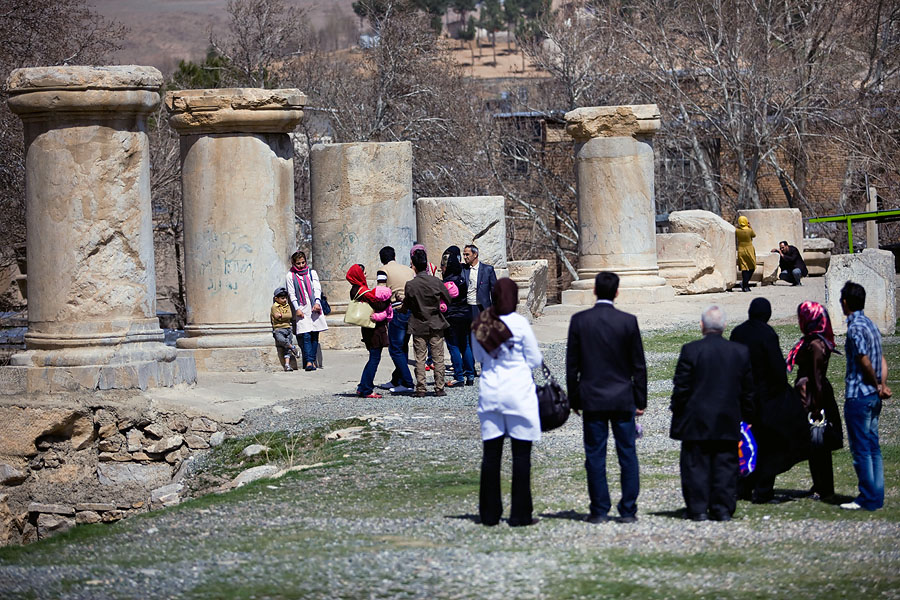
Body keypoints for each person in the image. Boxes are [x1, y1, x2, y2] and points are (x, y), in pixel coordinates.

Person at [566, 272, 647, 524]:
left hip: (592, 398)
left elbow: (572, 366)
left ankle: (599, 509)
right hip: (623, 398)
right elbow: (638, 365)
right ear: (617, 292)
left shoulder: (580, 321)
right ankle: (628, 509)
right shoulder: (628, 321)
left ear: (594, 291)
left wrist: (574, 399)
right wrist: (640, 400)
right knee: (627, 454)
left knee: (595, 455)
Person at [670, 305, 754, 521]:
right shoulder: (739, 352)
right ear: (724, 326)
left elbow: (681, 387)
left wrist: (677, 410)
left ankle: (698, 509)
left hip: (696, 418)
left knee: (695, 465)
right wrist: (748, 416)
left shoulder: (691, 350)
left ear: (701, 326)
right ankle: (722, 508)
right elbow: (747, 389)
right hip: (727, 417)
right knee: (726, 464)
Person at [472, 278, 543, 527]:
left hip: (491, 391)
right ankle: (520, 514)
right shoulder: (521, 324)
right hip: (519, 392)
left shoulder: (481, 323)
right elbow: (534, 359)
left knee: (491, 455)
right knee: (521, 456)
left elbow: (479, 356)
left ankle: (489, 515)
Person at [731, 298, 809, 503]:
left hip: (742, 395)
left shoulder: (737, 332)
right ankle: (763, 490)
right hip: (765, 397)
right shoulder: (767, 334)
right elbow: (776, 368)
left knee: (746, 442)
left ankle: (743, 487)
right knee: (769, 444)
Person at [839, 281, 891, 511]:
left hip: (859, 394)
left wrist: (875, 382)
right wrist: (882, 384)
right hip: (873, 395)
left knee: (861, 448)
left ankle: (867, 497)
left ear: (845, 302)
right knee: (873, 447)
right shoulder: (871, 324)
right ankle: (876, 495)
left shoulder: (855, 327)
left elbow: (864, 360)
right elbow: (881, 359)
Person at [785, 301, 842, 501]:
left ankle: (824, 487)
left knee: (820, 442)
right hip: (808, 392)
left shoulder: (817, 345)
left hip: (813, 396)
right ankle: (819, 484)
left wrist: (816, 406)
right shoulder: (811, 340)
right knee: (813, 443)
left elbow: (817, 378)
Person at [402, 248, 451, 397]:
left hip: (418, 323)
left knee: (420, 358)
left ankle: (421, 388)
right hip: (436, 322)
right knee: (438, 357)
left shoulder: (410, 285)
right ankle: (439, 387)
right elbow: (448, 299)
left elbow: (407, 305)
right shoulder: (436, 281)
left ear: (414, 266)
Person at [346, 265, 393, 399]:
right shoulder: (362, 290)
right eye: (363, 273)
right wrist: (388, 296)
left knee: (373, 358)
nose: (365, 275)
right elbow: (379, 305)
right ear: (358, 275)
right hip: (374, 329)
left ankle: (363, 386)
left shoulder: (354, 289)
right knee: (374, 359)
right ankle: (366, 389)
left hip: (368, 328)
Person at [377, 246, 415, 393]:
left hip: (397, 310)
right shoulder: (409, 270)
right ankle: (396, 379)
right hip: (411, 310)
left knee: (394, 348)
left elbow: (381, 293)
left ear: (382, 258)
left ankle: (407, 382)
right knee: (403, 346)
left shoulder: (383, 271)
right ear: (394, 256)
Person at [285, 251, 327, 371]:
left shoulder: (311, 273)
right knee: (306, 335)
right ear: (294, 263)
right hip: (302, 307)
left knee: (315, 334)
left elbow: (317, 288)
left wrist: (317, 302)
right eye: (298, 263)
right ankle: (309, 361)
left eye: (303, 262)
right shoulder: (290, 276)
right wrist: (297, 308)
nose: (301, 265)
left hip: (314, 306)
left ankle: (312, 361)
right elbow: (292, 293)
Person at [441, 246, 476, 387]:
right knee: (466, 345)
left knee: (453, 346)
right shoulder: (462, 280)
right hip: (465, 314)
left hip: (452, 316)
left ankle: (459, 376)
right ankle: (470, 375)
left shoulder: (446, 282)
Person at [463, 244, 498, 320]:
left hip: (482, 307)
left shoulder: (487, 270)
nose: (465, 257)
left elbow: (494, 290)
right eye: (464, 255)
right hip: (467, 307)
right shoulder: (463, 269)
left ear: (475, 254)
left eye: (467, 254)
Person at [270, 287, 300, 372]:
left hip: (287, 328)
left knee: (286, 348)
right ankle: (293, 347)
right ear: (276, 298)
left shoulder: (287, 306)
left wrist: (281, 316)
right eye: (282, 298)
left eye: (286, 298)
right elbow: (276, 316)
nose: (285, 300)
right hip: (278, 328)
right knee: (281, 340)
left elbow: (289, 315)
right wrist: (282, 316)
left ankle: (287, 365)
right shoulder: (274, 307)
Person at [735, 216, 757, 292]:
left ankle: (745, 286)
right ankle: (745, 283)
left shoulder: (737, 230)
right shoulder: (749, 230)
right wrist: (750, 226)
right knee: (752, 267)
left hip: (741, 249)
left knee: (744, 267)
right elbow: (754, 235)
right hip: (749, 248)